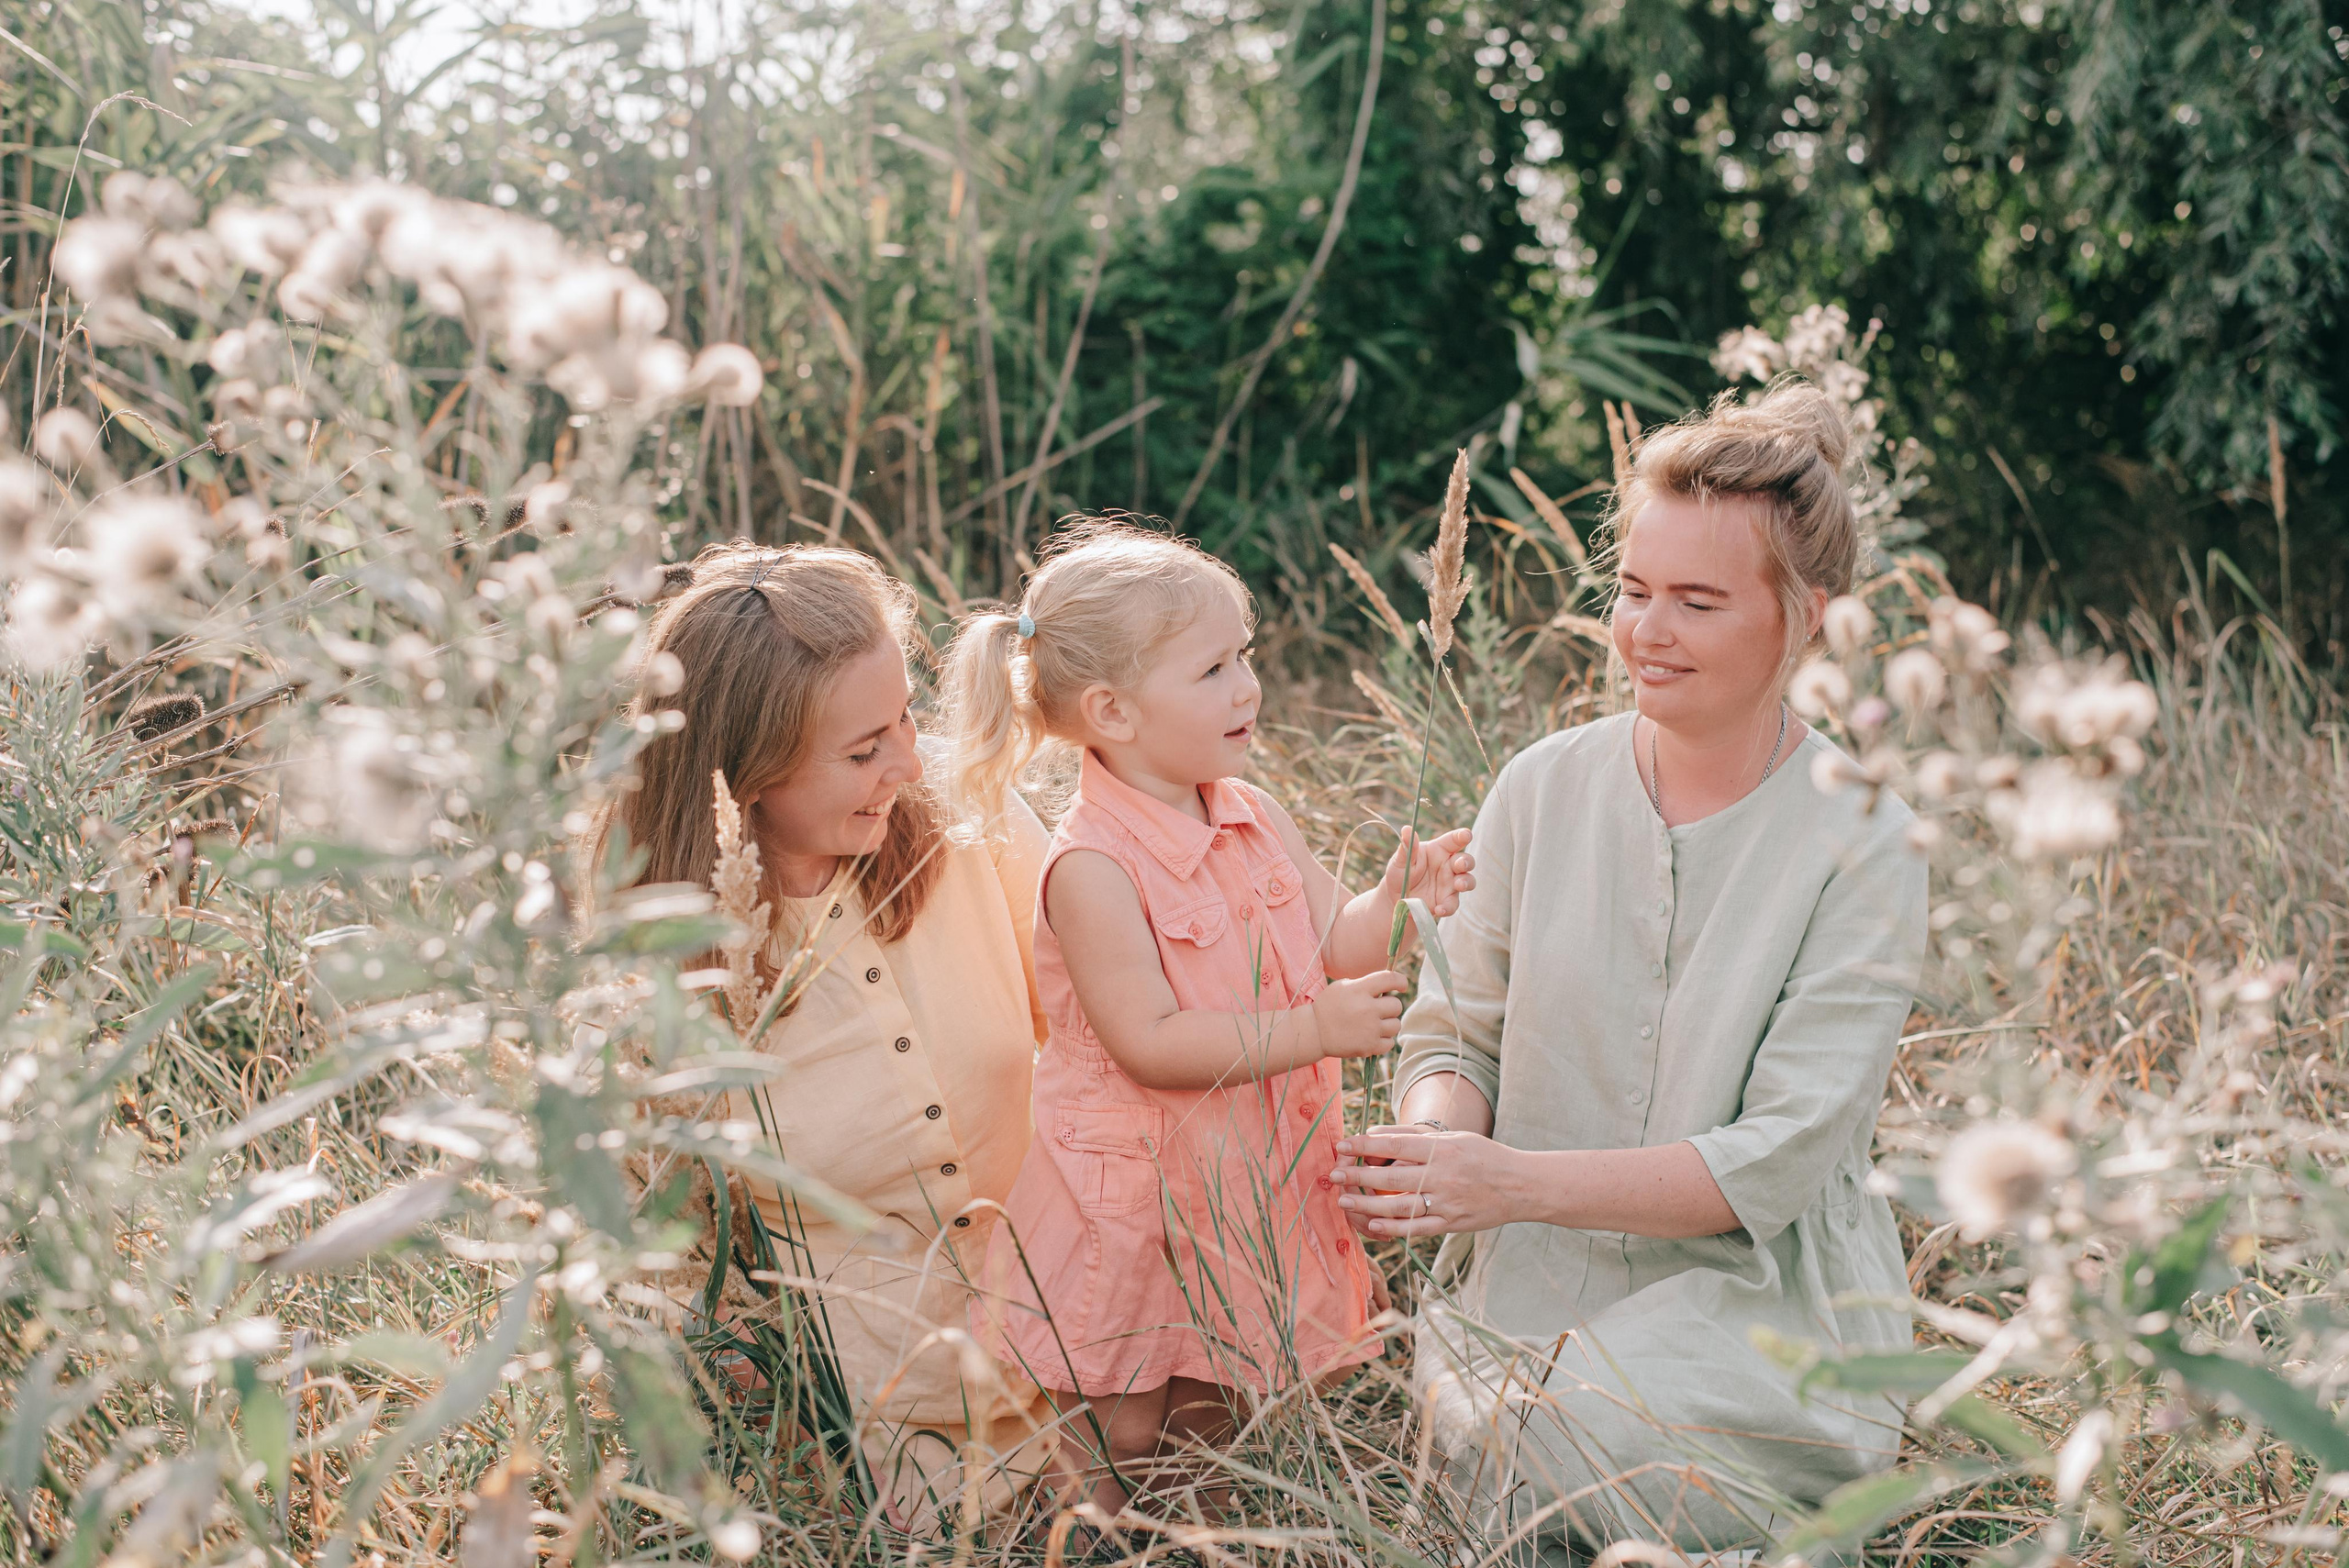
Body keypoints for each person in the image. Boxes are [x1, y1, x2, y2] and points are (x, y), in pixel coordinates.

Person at [1330, 383, 1930, 1557]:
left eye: (1697, 602)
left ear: (1805, 615)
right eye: (1633, 591)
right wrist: (1436, 1145)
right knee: (1505, 1439)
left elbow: (1775, 1158)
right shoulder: (1539, 784)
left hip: (1763, 1317)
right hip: (1528, 1289)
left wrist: (1506, 1182)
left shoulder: (1865, 836)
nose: (1646, 631)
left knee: (1547, 1439)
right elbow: (1454, 1033)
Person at [939, 523, 1476, 1519]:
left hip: (1238, 1180)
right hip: (1135, 1190)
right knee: (1117, 1408)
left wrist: (1398, 899)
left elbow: (1334, 939)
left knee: (1211, 1401)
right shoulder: (1091, 865)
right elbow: (1149, 1039)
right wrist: (1314, 1031)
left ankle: (1187, 1532)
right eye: (1215, 667)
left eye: (1247, 657)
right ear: (1114, 710)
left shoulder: (1253, 811)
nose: (1247, 686)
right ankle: (1086, 1535)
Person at [598, 541, 1055, 1535]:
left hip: (1100, 1360)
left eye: (904, 717)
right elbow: (681, 1266)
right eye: (862, 750)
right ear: (744, 777)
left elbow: (1104, 1026)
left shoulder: (967, 812)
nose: (907, 760)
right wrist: (792, 1449)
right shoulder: (660, 975)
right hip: (884, 1447)